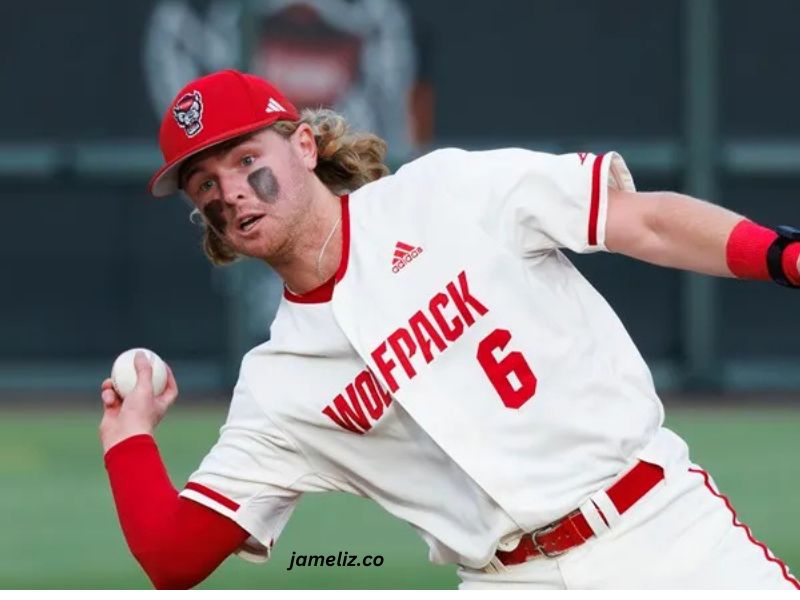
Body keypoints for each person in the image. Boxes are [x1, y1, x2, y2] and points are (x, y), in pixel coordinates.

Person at [99, 69, 800, 590]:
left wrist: (780, 254)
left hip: (664, 531)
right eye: (205, 186)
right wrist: (127, 436)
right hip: (508, 579)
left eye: (246, 161)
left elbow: (644, 221)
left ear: (304, 146)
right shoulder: (278, 383)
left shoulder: (446, 194)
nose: (232, 192)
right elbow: (173, 557)